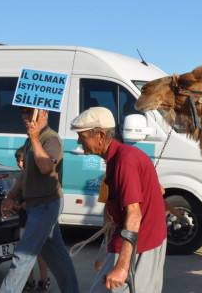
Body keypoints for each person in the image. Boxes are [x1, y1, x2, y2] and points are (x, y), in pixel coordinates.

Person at [72, 107, 167, 293]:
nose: (78, 141)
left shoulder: (125, 160)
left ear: (100, 135)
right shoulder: (119, 158)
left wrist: (122, 267)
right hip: (136, 239)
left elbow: (134, 215)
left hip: (142, 242)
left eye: (82, 136)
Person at [0, 108, 79, 293]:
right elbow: (25, 173)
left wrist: (35, 139)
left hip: (46, 205)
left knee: (23, 256)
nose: (26, 118)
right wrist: (11, 198)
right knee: (57, 257)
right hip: (37, 206)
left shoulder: (49, 138)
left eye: (30, 113)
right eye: (24, 113)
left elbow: (45, 167)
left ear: (43, 114)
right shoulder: (30, 139)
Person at [13, 147, 51, 293]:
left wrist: (28, 203)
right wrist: (17, 202)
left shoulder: (39, 177)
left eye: (23, 161)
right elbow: (18, 195)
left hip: (37, 219)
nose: (20, 164)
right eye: (18, 161)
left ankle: (44, 280)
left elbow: (45, 197)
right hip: (24, 219)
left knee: (40, 253)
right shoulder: (20, 177)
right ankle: (29, 282)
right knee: (24, 252)